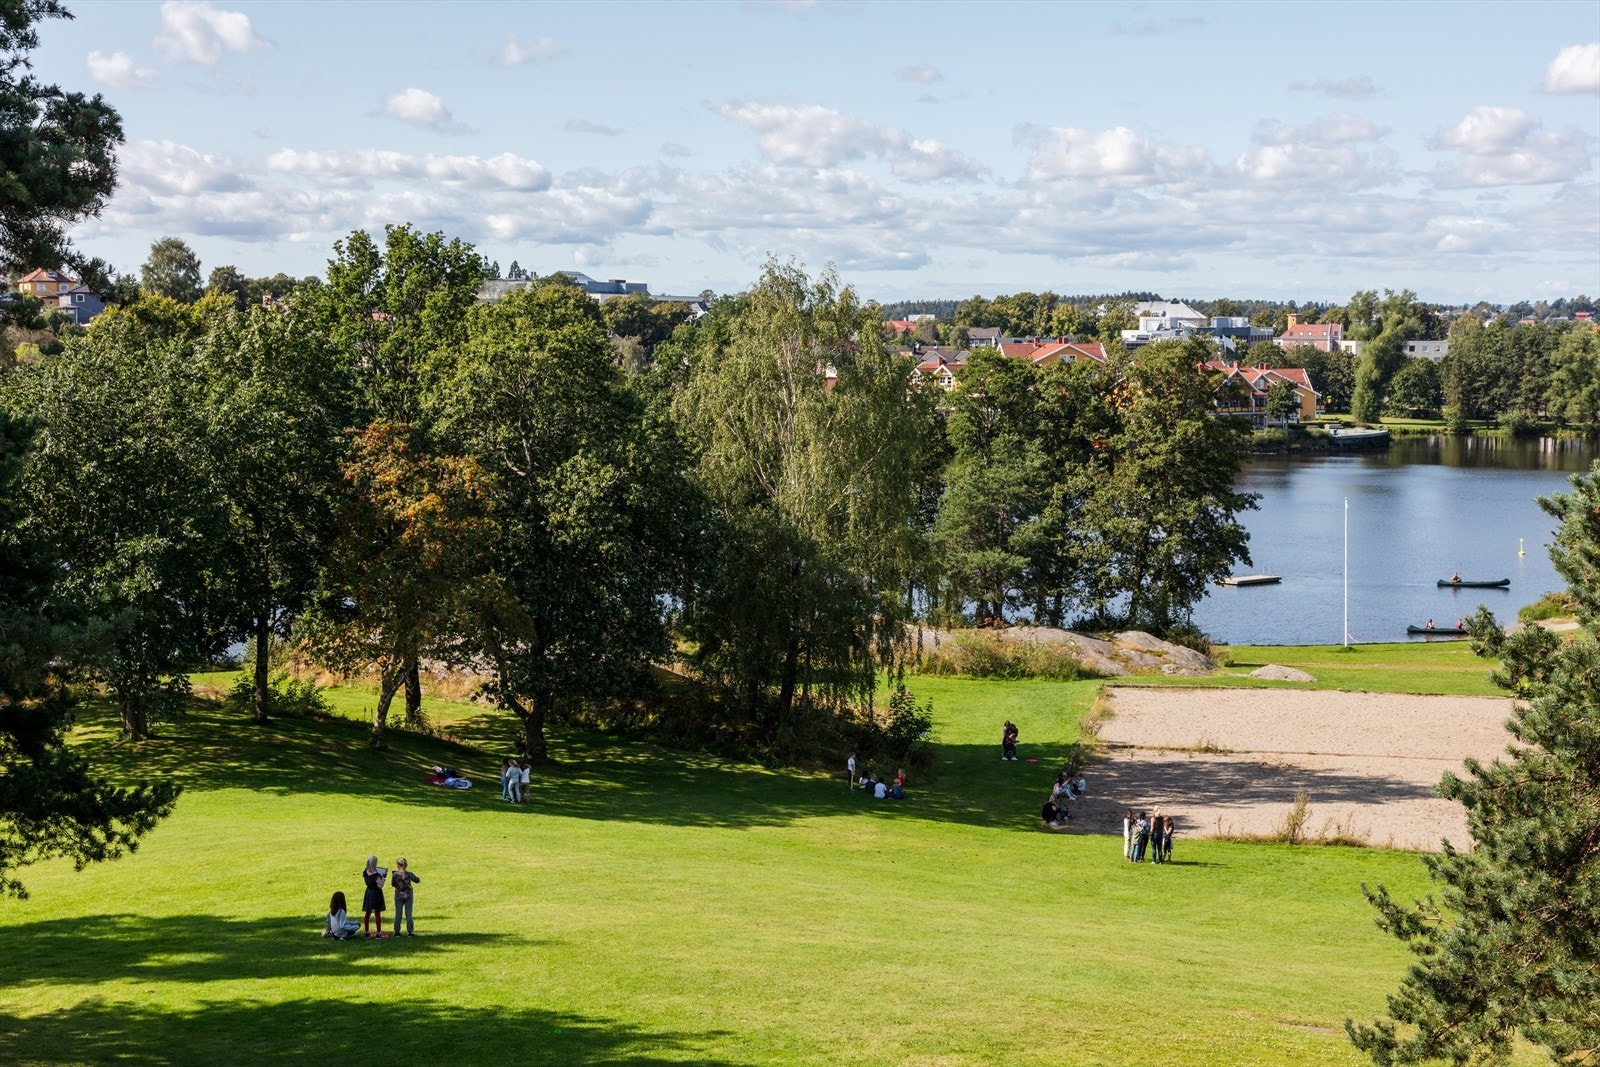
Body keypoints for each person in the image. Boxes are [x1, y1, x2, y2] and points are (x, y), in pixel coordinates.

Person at [390, 857, 421, 936]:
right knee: (408, 914)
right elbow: (417, 880)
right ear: (406, 865)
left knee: (398, 913)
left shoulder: (395, 875)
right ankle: (410, 931)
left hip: (398, 896)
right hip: (408, 895)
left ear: (397, 865)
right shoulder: (409, 874)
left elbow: (393, 884)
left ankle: (396, 931)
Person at [361, 855, 387, 938]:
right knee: (377, 912)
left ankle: (366, 931)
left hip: (368, 892)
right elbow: (380, 886)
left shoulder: (365, 871)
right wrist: (383, 878)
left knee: (368, 912)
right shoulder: (377, 875)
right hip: (376, 893)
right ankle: (379, 932)